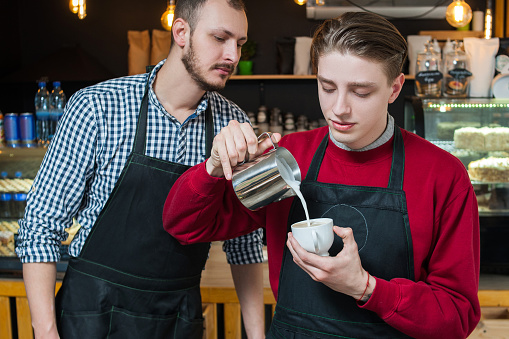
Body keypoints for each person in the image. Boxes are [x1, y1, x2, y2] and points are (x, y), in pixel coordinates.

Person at [163, 11, 482, 338]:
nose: (338, 108)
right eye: (327, 86)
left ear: (395, 88)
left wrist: (364, 287)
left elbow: (457, 316)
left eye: (360, 92)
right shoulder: (288, 156)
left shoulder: (441, 175)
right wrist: (212, 167)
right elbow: (184, 226)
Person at [15, 0, 266, 338]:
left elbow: (244, 243)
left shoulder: (232, 124)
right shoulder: (98, 107)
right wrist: (46, 333)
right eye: (220, 38)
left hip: (179, 318)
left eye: (239, 43)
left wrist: (257, 336)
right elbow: (41, 227)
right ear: (181, 32)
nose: (233, 56)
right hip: (91, 313)